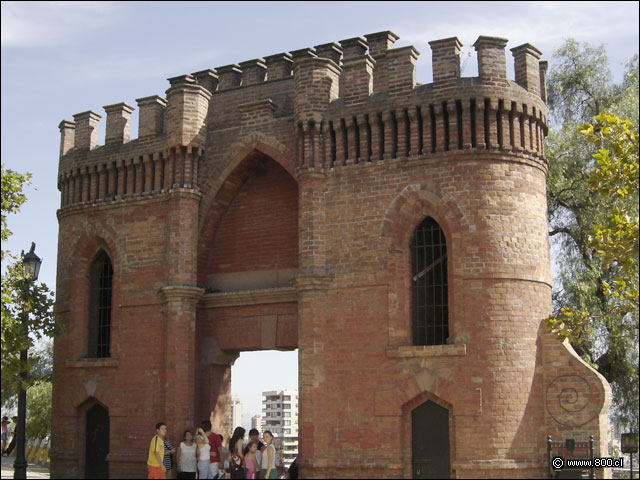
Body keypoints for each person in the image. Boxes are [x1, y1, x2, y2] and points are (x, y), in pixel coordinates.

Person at [202, 412, 223, 479]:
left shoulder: (216, 437)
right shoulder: (200, 437)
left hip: (213, 462)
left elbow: (220, 450)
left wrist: (221, 462)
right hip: (203, 462)